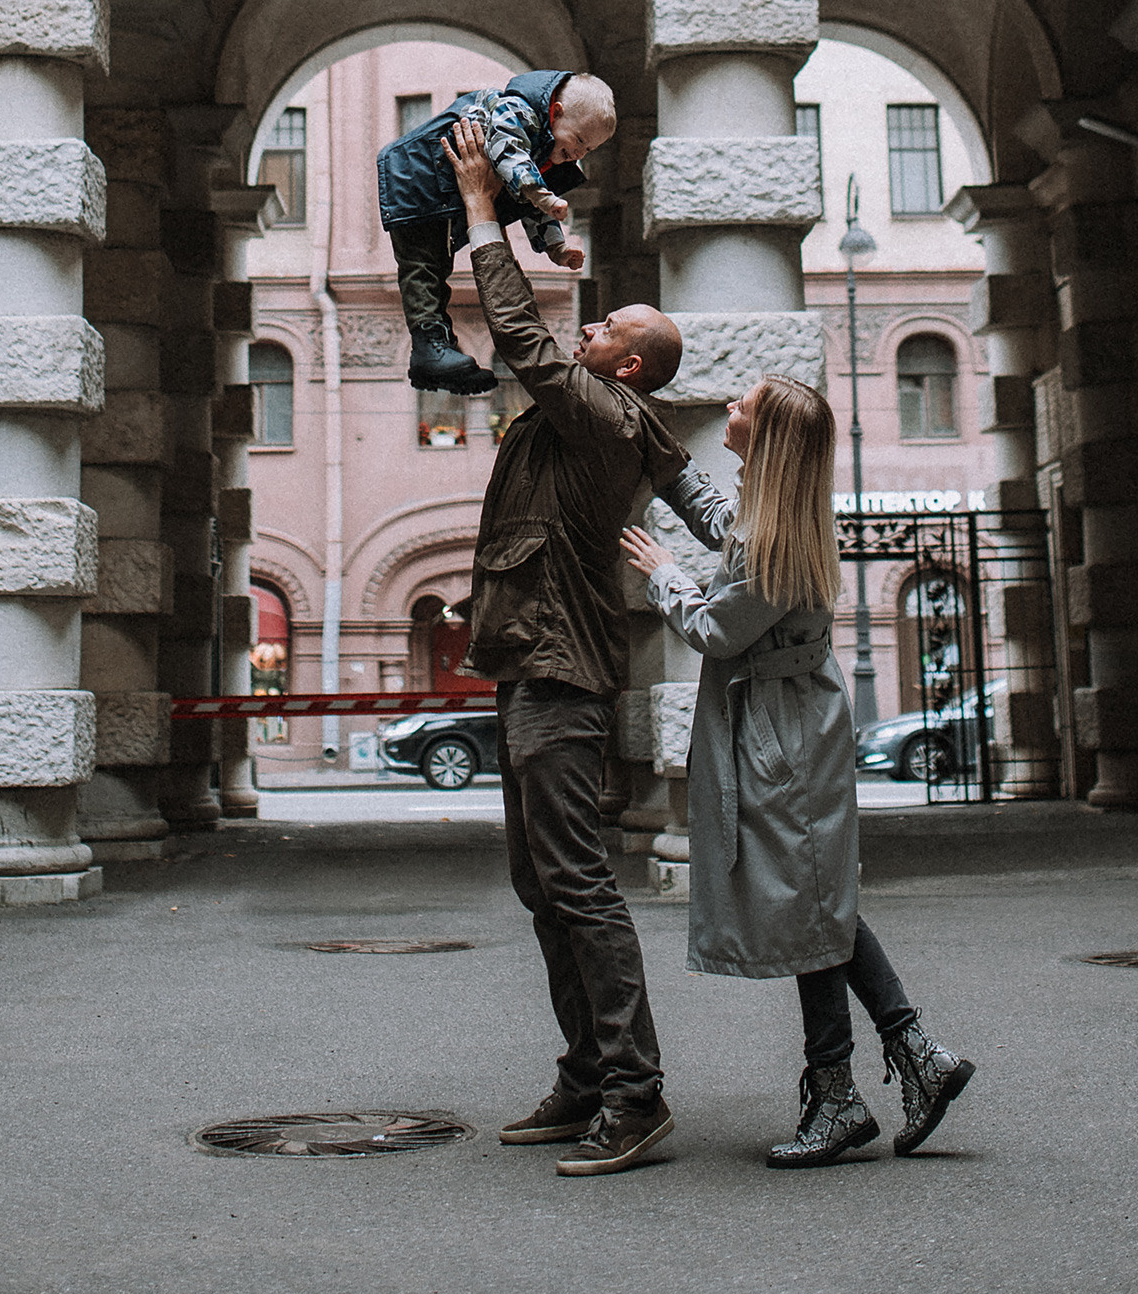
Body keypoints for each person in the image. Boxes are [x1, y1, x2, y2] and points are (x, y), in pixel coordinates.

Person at [619, 376, 977, 1165]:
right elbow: (726, 525)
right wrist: (673, 470)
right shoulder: (777, 515)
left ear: (769, 436)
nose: (732, 411)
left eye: (743, 406)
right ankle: (908, 1058)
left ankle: (852, 1088)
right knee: (815, 901)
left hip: (778, 733)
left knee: (809, 904)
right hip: (794, 723)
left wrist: (661, 574)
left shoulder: (770, 536)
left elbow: (716, 629)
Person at [444, 114, 685, 1176]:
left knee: (578, 882)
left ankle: (633, 1092)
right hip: (529, 668)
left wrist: (479, 215)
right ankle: (587, 1072)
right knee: (542, 882)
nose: (585, 332)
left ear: (627, 360)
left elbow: (526, 342)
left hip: (562, 677)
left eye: (605, 329)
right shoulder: (583, 415)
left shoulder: (606, 414)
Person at [377, 71, 616, 397]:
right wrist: (542, 195)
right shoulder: (515, 110)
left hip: (439, 198)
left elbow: (527, 204)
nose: (580, 154)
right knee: (422, 269)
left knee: (434, 273)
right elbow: (509, 155)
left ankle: (436, 350)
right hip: (416, 185)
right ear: (556, 111)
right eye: (579, 140)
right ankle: (429, 349)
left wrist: (556, 247)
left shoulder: (544, 147)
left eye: (590, 149)